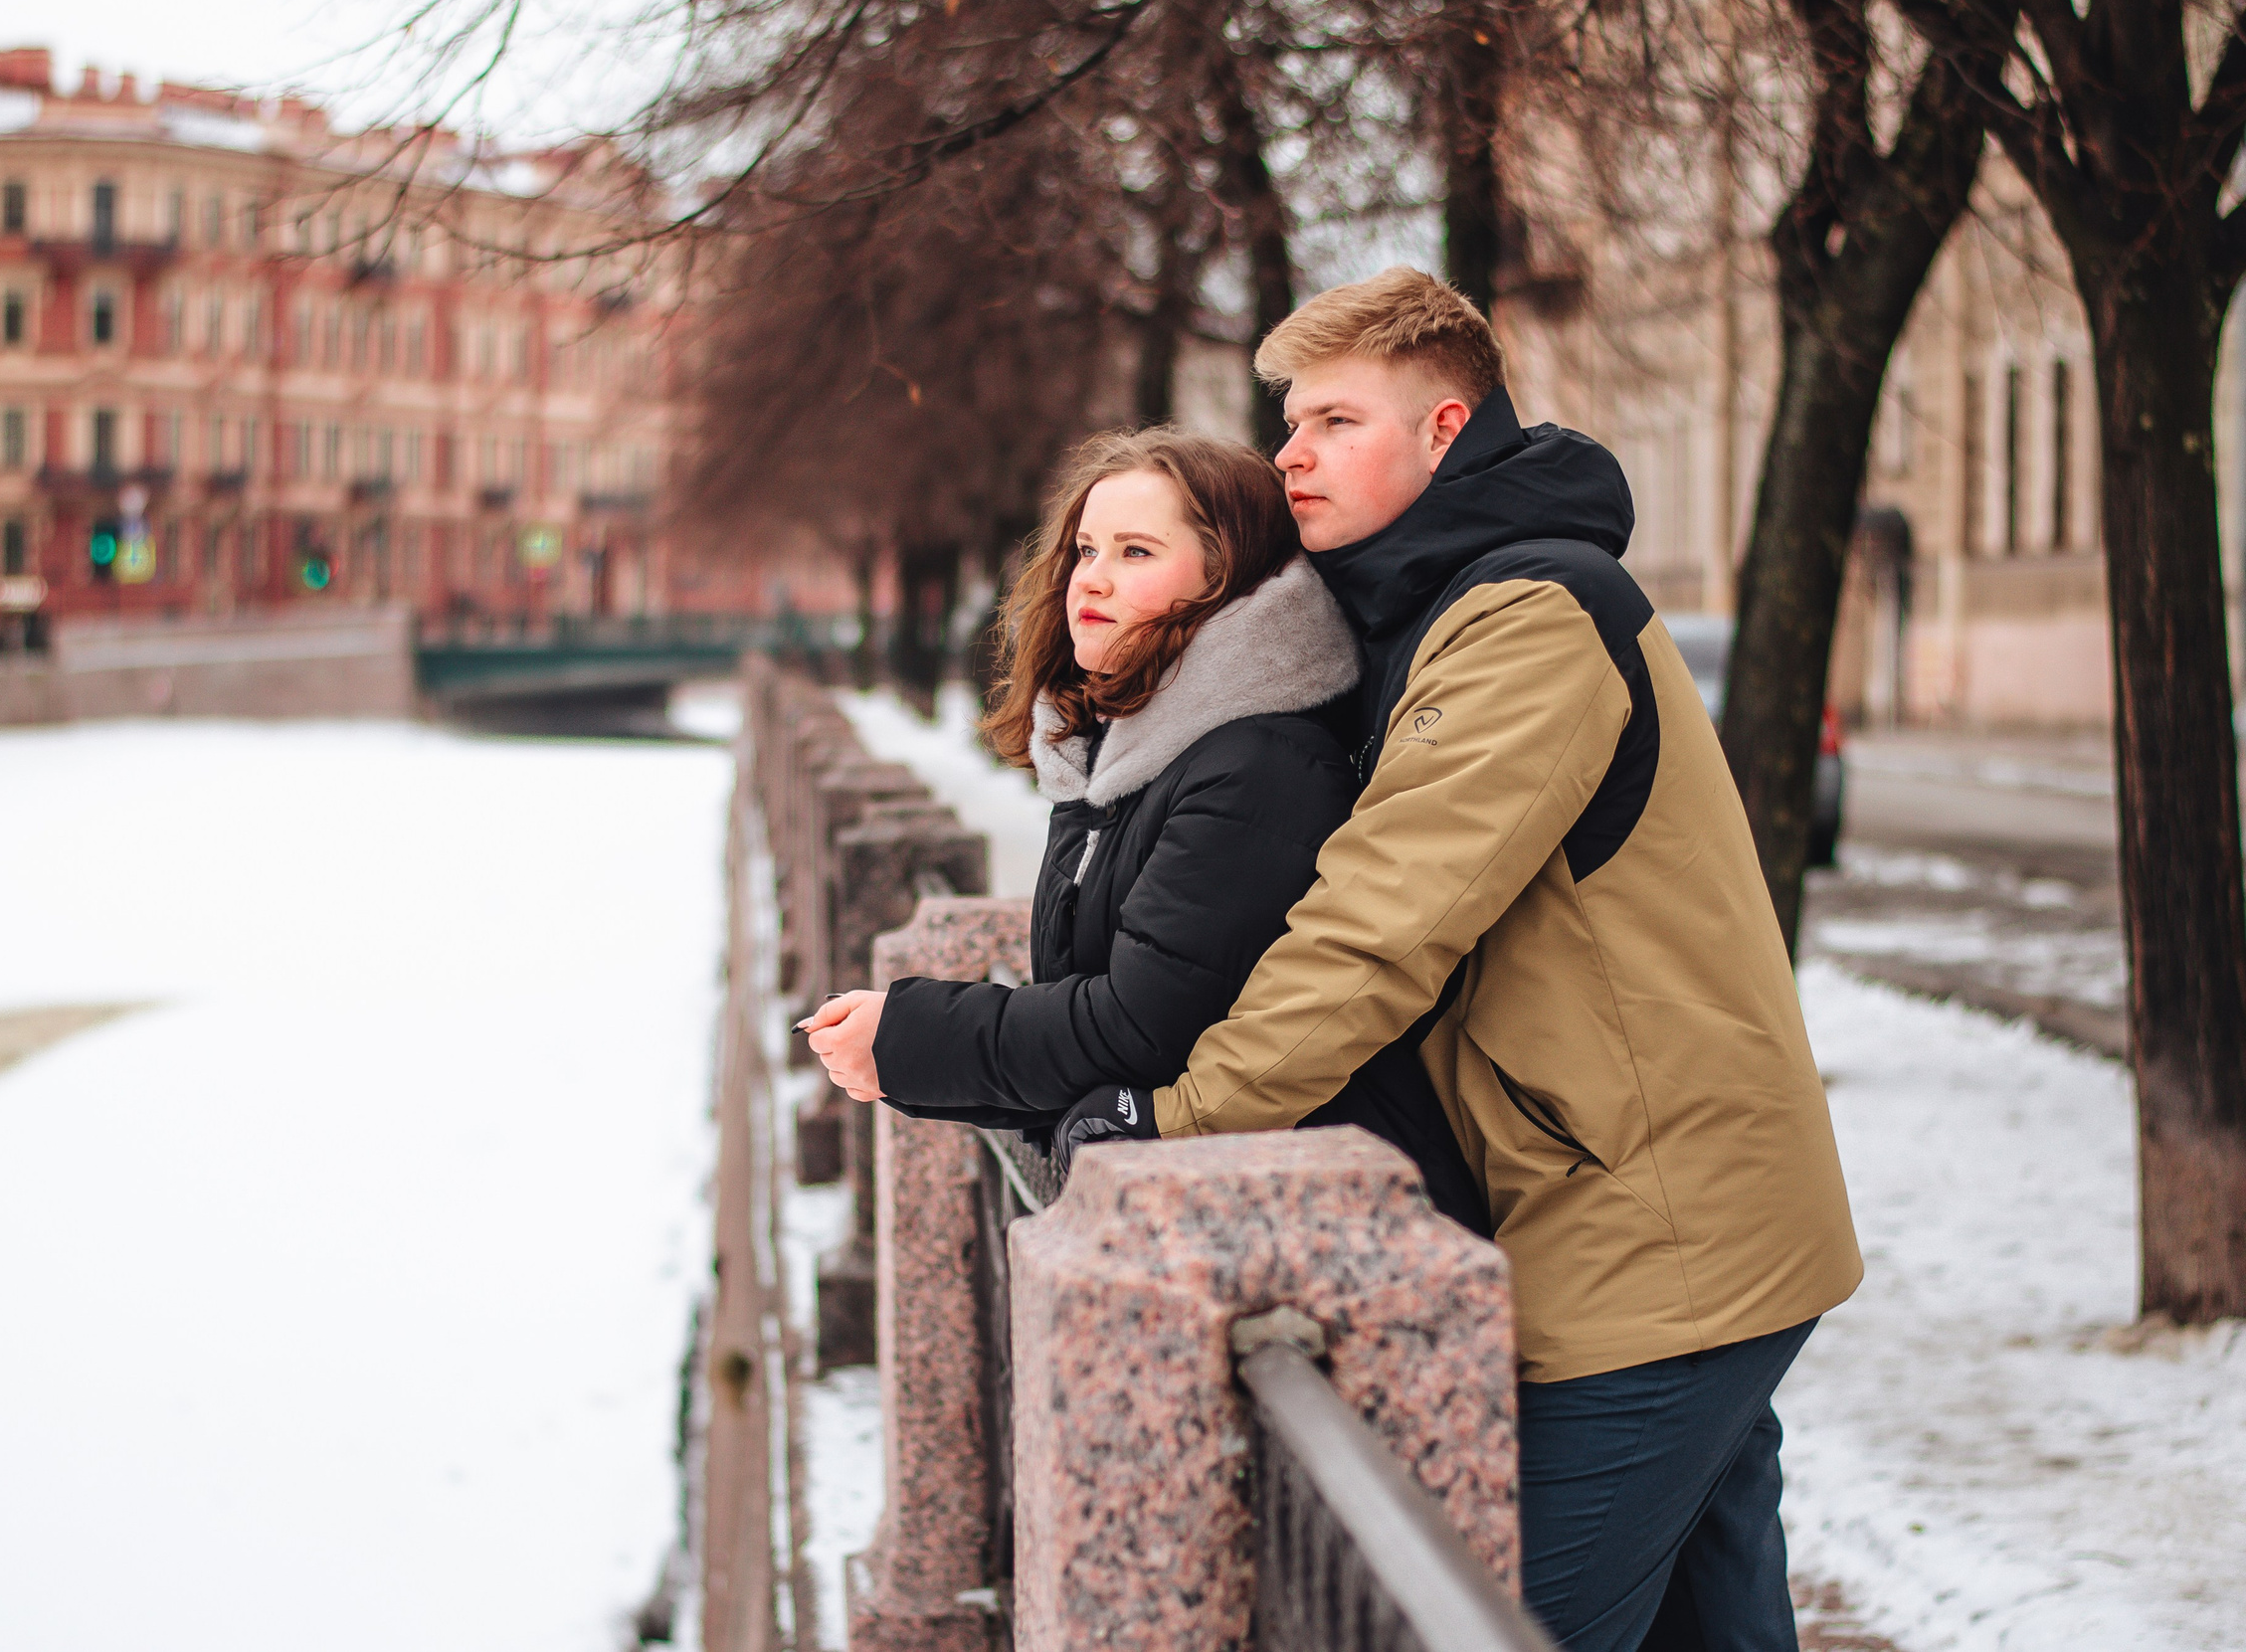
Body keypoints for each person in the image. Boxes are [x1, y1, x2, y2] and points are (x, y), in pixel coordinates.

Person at [1054, 270, 1863, 1652]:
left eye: (1334, 421)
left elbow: (1379, 924)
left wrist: (1167, 1119)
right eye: (1287, 422)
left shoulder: (1526, 616)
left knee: (1490, 1627)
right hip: (1657, 1214)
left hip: (1649, 1238)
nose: (1290, 452)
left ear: (1445, 428)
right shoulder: (1426, 613)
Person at [799, 426, 1488, 1231]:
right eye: (1086, 550)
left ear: (1226, 583)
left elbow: (1139, 1030)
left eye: (1135, 553)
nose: (1090, 579)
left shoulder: (1260, 764)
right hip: (1229, 1222)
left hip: (1339, 1248)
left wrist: (913, 1038)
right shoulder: (1126, 760)